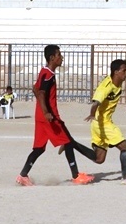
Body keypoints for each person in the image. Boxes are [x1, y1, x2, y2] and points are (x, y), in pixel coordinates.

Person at [16, 45, 94, 186]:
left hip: (41, 116)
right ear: (52, 58)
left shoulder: (44, 72)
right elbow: (41, 93)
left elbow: (35, 88)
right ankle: (76, 176)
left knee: (39, 148)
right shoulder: (49, 75)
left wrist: (42, 109)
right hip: (49, 117)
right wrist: (46, 112)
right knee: (68, 142)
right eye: (59, 55)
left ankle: (23, 175)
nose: (61, 57)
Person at [84, 59, 126, 184]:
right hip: (103, 123)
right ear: (116, 72)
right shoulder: (106, 86)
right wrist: (92, 114)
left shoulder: (117, 83)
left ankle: (71, 144)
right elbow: (96, 102)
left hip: (99, 124)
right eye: (124, 70)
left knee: (99, 159)